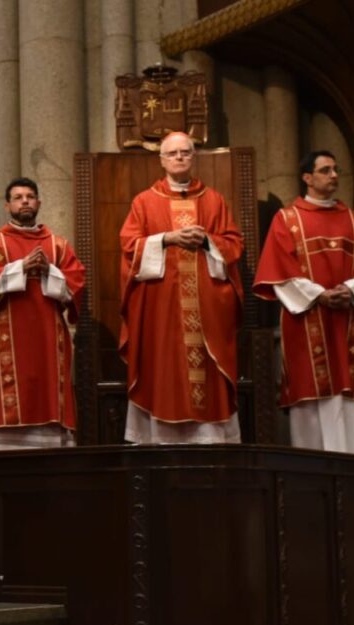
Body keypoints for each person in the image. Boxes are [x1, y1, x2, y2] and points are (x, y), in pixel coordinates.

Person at [254, 150, 354, 454]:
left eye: (335, 170)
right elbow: (280, 269)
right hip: (308, 322)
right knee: (314, 398)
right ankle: (315, 481)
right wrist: (319, 294)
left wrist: (350, 289)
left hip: (350, 317)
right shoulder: (287, 220)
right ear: (307, 178)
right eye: (325, 170)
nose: (334, 176)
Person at [119, 132, 244, 444]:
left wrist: (207, 240)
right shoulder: (144, 202)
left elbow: (234, 244)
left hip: (207, 309)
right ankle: (162, 439)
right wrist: (166, 239)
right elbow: (129, 246)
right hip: (163, 308)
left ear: (193, 156)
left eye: (185, 152)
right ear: (161, 160)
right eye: (172, 153)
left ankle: (209, 440)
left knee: (207, 371)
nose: (178, 158)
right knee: (164, 366)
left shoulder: (214, 200)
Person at [0, 177, 85, 450]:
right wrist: (20, 267)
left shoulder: (57, 245)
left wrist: (49, 271)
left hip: (48, 333)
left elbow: (77, 283)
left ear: (39, 203)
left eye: (30, 196)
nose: (25, 201)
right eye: (18, 197)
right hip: (7, 335)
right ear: (7, 205)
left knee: (48, 386)